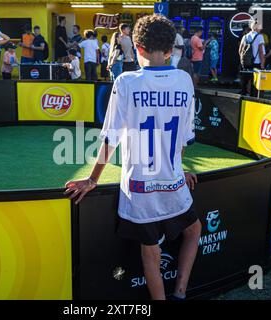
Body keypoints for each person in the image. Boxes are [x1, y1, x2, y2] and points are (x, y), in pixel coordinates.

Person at [64, 14, 201, 301]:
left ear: (137, 48)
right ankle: (180, 292)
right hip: (173, 181)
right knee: (195, 230)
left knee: (150, 251)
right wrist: (178, 167)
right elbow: (184, 136)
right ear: (170, 49)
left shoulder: (126, 81)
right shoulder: (184, 80)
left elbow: (110, 138)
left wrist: (92, 179)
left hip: (140, 189)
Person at [238, 21, 266, 96]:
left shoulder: (245, 36)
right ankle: (253, 99)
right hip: (256, 63)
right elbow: (261, 51)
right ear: (256, 27)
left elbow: (240, 50)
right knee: (255, 83)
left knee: (245, 82)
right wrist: (262, 65)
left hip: (246, 63)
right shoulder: (260, 37)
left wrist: (242, 61)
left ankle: (243, 97)